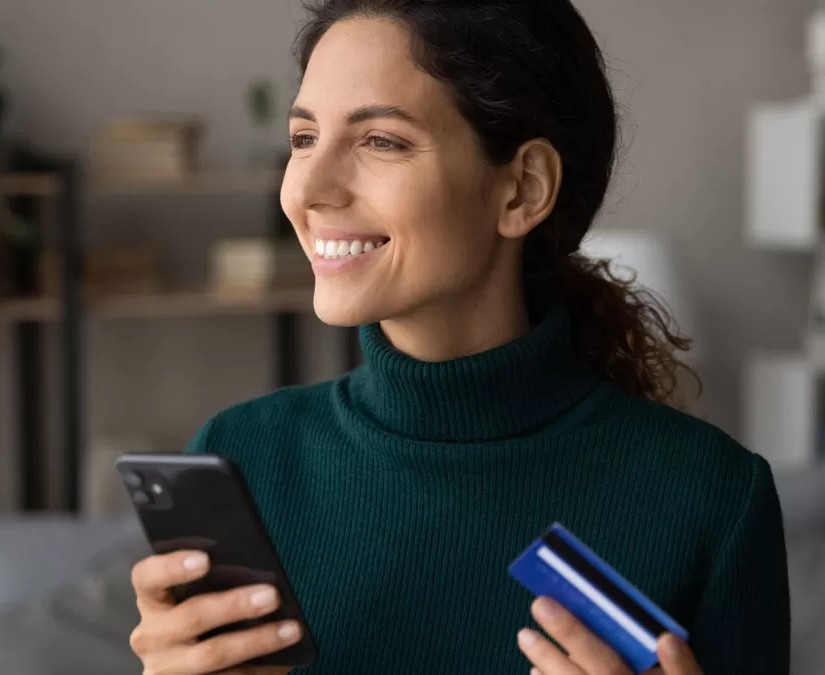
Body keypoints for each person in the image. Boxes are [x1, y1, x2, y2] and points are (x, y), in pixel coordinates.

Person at [127, 0, 791, 673]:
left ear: (522, 190)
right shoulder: (242, 460)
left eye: (379, 140)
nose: (310, 188)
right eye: (303, 139)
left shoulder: (711, 498)